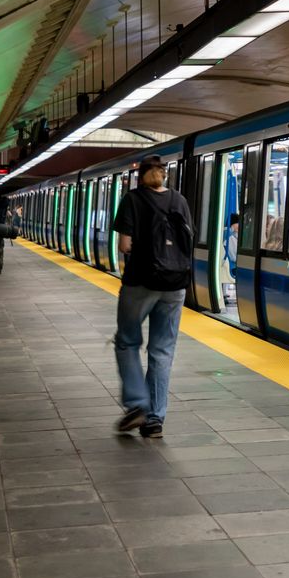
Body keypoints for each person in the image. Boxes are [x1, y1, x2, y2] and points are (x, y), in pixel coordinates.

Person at [112, 155, 194, 438]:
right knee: (162, 351)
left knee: (127, 342)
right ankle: (155, 419)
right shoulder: (179, 200)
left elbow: (124, 245)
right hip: (175, 285)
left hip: (140, 282)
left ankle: (137, 404)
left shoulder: (132, 200)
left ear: (141, 176)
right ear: (164, 174)